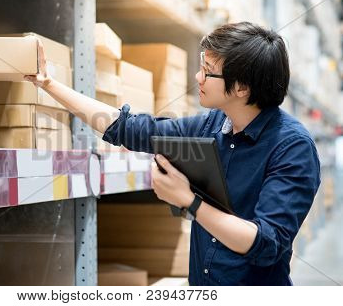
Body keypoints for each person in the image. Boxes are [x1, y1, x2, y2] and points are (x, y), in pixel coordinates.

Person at [25, 21, 321, 285]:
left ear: (242, 87)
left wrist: (189, 202)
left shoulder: (292, 147)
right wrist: (49, 84)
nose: (198, 77)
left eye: (208, 72)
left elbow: (266, 243)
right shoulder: (213, 125)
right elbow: (130, 129)